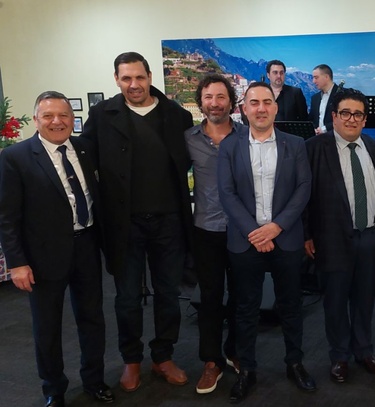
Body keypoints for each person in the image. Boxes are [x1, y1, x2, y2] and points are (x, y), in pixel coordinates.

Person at [81, 51, 194, 392]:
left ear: (150, 77)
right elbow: (84, 161)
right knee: (127, 297)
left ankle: (163, 356)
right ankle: (131, 360)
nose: (134, 84)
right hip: (123, 224)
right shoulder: (102, 115)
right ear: (116, 80)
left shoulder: (177, 115)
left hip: (169, 221)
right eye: (126, 78)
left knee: (169, 294)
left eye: (140, 77)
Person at [0, 91, 113, 406]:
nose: (56, 121)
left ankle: (94, 380)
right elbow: (7, 217)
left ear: (73, 119)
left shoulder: (85, 149)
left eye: (63, 115)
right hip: (43, 256)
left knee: (92, 319)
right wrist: (17, 262)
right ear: (36, 119)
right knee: (47, 327)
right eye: (48, 115)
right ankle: (53, 389)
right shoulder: (15, 157)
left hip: (87, 246)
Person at [217, 81, 316, 403]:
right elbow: (227, 194)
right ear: (243, 109)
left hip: (286, 239)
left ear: (275, 107)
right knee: (245, 309)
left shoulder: (295, 144)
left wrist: (275, 227)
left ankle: (294, 362)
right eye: (254, 103)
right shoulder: (229, 147)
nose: (261, 108)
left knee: (291, 306)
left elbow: (303, 188)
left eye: (267, 102)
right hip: (246, 242)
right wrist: (255, 232)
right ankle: (246, 369)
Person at [304, 88, 375, 383]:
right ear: (334, 116)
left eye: (358, 114)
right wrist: (307, 234)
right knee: (335, 301)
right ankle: (339, 356)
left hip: (372, 235)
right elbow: (304, 196)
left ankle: (364, 351)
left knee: (365, 298)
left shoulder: (373, 146)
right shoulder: (314, 148)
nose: (351, 119)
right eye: (345, 113)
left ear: (365, 119)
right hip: (332, 238)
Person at [186, 74, 248, 394]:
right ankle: (211, 361)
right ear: (201, 102)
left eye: (221, 96)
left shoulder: (247, 136)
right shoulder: (188, 139)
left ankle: (235, 350)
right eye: (208, 97)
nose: (214, 103)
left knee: (241, 296)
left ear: (231, 102)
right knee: (209, 298)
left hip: (241, 230)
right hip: (205, 229)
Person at [308, 64, 339, 135]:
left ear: (326, 77)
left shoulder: (342, 95)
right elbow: (311, 119)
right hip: (318, 139)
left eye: (316, 78)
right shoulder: (315, 98)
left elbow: (343, 119)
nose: (313, 81)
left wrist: (325, 129)